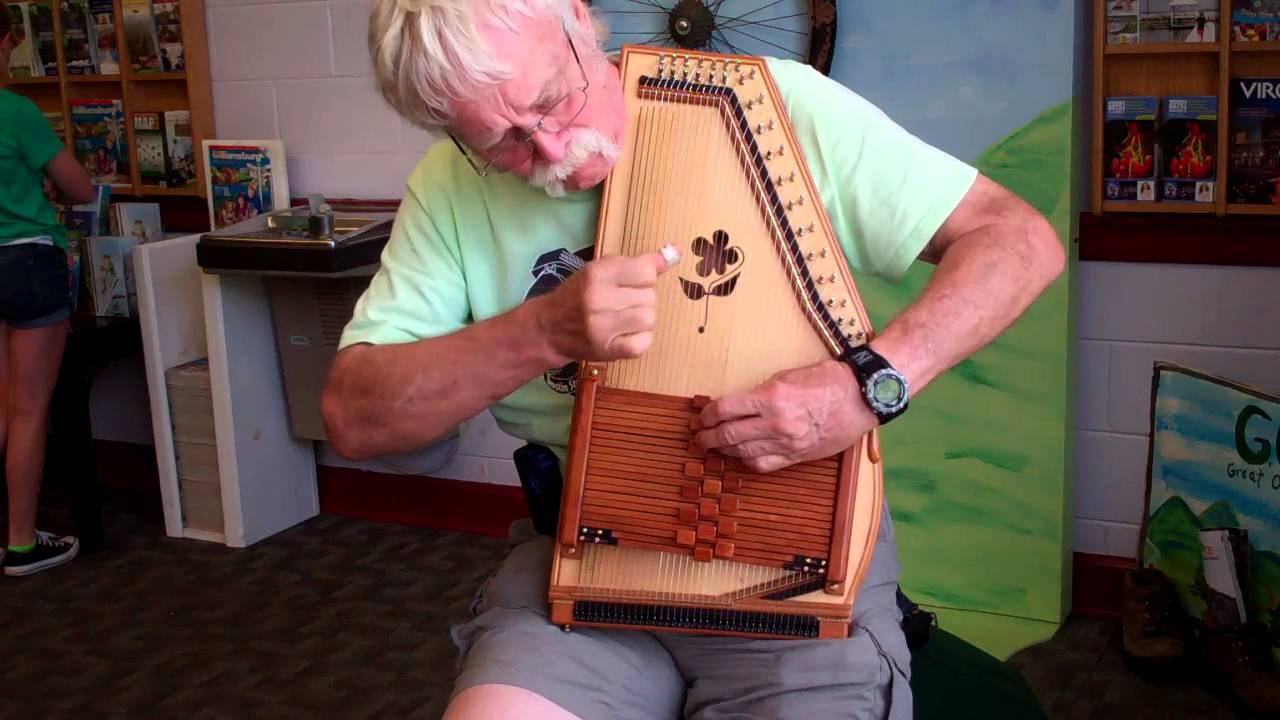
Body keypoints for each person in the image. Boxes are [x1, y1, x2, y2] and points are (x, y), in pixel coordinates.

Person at [322, 1, 1065, 717]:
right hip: (581, 571)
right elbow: (355, 418)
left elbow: (1018, 241)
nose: (549, 151)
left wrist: (864, 387)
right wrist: (542, 332)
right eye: (502, 142)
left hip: (793, 571)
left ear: (578, 18)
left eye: (551, 100)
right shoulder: (450, 187)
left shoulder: (781, 108)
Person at [0, 8, 97, 577]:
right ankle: (20, 544)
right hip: (28, 263)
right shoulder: (16, 112)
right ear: (8, 41)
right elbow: (80, 188)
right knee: (30, 410)